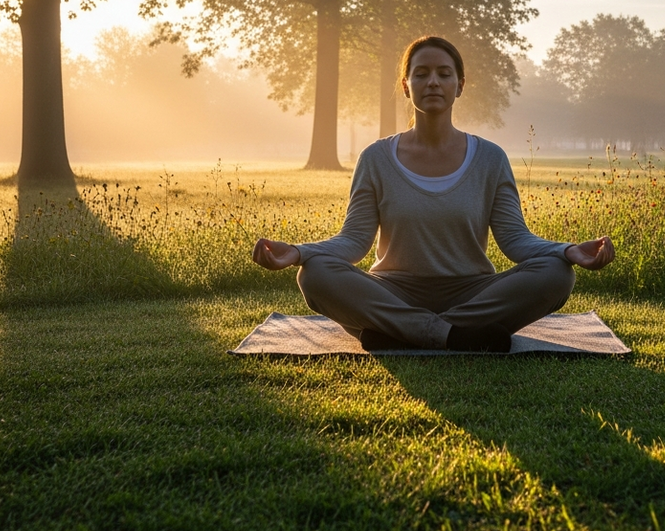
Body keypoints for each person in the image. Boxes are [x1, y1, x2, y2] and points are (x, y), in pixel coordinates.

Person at [252, 35, 615, 353]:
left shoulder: (490, 158)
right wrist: (300, 253)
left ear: (460, 85)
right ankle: (452, 336)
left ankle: (403, 332)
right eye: (421, 73)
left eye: (444, 73)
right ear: (406, 85)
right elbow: (353, 242)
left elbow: (515, 240)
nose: (433, 82)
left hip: (473, 293)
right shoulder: (376, 158)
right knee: (315, 275)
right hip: (392, 293)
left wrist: (566, 251)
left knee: (557, 274)